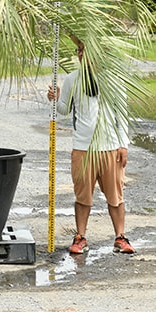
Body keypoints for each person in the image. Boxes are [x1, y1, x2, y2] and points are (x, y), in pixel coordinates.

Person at [47, 40, 135, 255]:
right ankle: (80, 236)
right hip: (82, 148)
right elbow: (64, 110)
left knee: (115, 196)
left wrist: (123, 144)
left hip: (110, 147)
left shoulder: (113, 80)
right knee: (83, 196)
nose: (80, 55)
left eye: (84, 51)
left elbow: (121, 114)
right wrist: (55, 98)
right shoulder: (72, 79)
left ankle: (120, 237)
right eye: (78, 51)